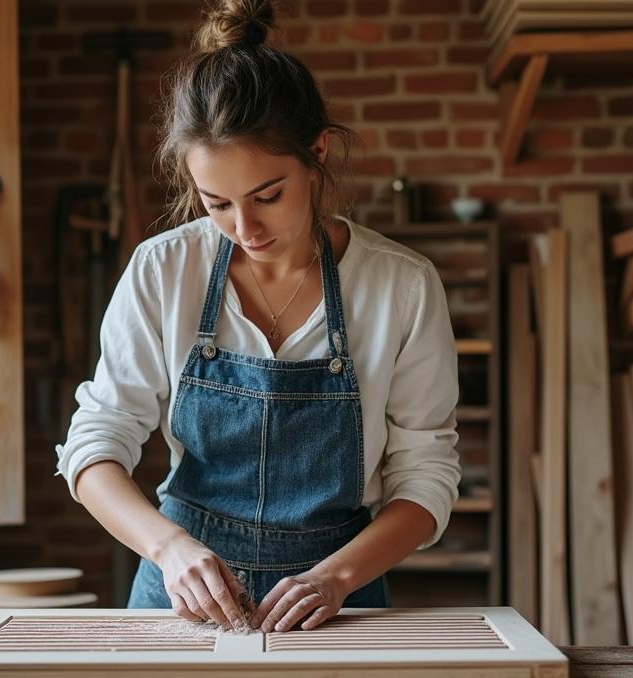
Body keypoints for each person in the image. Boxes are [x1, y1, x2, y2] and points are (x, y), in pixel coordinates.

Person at [55, 0, 461, 634]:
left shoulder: (400, 285)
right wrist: (169, 549)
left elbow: (426, 475)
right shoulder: (164, 270)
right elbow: (95, 443)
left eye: (268, 196)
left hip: (340, 602)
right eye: (217, 203)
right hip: (182, 596)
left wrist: (338, 577)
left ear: (317, 153)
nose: (245, 229)